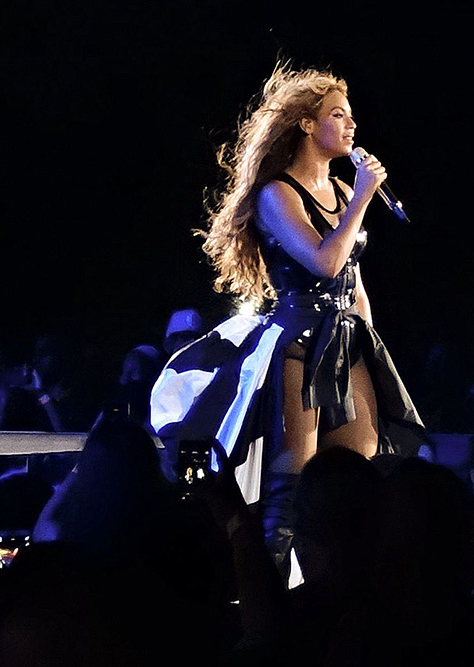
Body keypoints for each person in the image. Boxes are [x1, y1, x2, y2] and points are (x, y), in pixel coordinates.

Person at [150, 63, 424, 579]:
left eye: (352, 117)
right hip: (298, 342)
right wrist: (364, 196)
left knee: (356, 472)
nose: (351, 126)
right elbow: (323, 262)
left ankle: (343, 591)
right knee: (295, 476)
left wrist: (369, 343)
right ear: (305, 124)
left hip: (347, 341)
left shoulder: (344, 192)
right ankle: (270, 596)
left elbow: (353, 279)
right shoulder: (277, 194)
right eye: (338, 115)